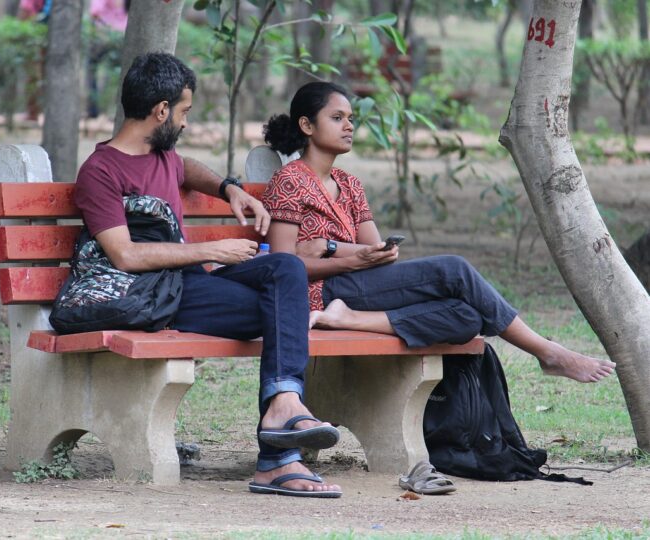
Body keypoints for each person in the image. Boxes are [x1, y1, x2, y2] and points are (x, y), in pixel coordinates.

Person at [74, 53, 342, 498]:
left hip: (194, 284)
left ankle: (284, 405)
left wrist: (229, 188)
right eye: (184, 111)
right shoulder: (101, 171)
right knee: (282, 308)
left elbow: (186, 168)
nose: (185, 122)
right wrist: (212, 250)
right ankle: (278, 458)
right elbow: (124, 255)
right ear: (161, 110)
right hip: (158, 293)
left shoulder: (163, 155)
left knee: (286, 267)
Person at [261, 82, 616, 384]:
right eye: (337, 118)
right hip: (317, 293)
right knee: (454, 270)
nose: (349, 126)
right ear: (307, 125)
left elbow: (377, 253)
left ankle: (348, 319)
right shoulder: (290, 180)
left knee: (467, 316)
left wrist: (333, 248)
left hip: (355, 288)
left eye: (351, 118)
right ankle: (547, 352)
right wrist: (349, 259)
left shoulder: (349, 183)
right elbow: (282, 267)